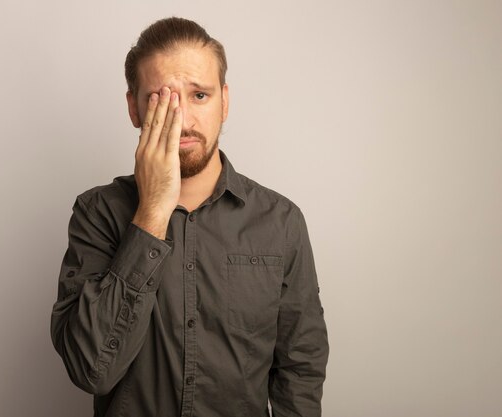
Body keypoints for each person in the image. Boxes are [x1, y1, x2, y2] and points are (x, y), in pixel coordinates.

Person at [50, 17, 329, 417]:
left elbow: (301, 368)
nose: (180, 120)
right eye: (160, 100)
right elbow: (90, 369)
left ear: (225, 102)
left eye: (199, 95)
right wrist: (151, 214)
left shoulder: (281, 222)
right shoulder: (97, 214)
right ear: (133, 108)